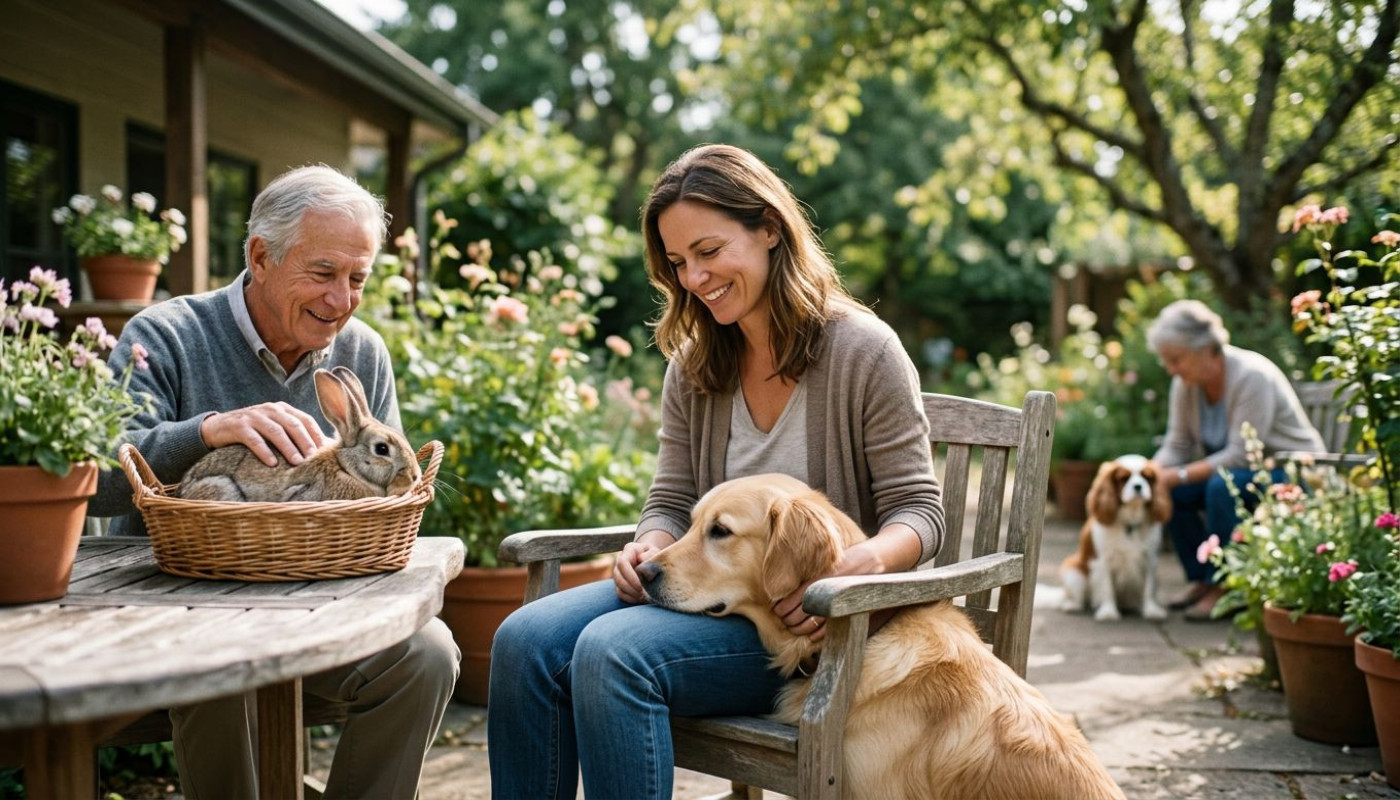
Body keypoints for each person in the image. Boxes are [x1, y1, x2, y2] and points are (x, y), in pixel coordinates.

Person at [486, 144, 946, 799]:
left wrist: (858, 566)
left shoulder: (864, 352)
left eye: (708, 251)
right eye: (677, 264)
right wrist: (648, 541)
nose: (695, 279)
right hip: (704, 596)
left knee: (611, 653)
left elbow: (921, 512)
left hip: (813, 637)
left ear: (768, 228)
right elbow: (672, 498)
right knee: (523, 640)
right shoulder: (696, 365)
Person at [89, 165, 459, 799]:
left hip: (319, 602)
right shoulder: (168, 334)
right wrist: (207, 432)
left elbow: (393, 492)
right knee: (220, 667)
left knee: (426, 656)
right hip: (179, 599)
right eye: (323, 273)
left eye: (357, 279)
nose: (342, 300)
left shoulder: (361, 351)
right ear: (261, 257)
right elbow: (93, 478)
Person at [1147, 299, 1325, 621]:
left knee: (1218, 488)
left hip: (1290, 473)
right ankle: (1201, 579)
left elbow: (1241, 455)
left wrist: (1178, 475)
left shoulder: (1251, 376)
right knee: (1171, 491)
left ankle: (1227, 587)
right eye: (1166, 362)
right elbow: (1177, 444)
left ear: (1203, 349)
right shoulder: (1185, 384)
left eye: (1176, 359)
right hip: (1241, 473)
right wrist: (1150, 474)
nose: (1171, 369)